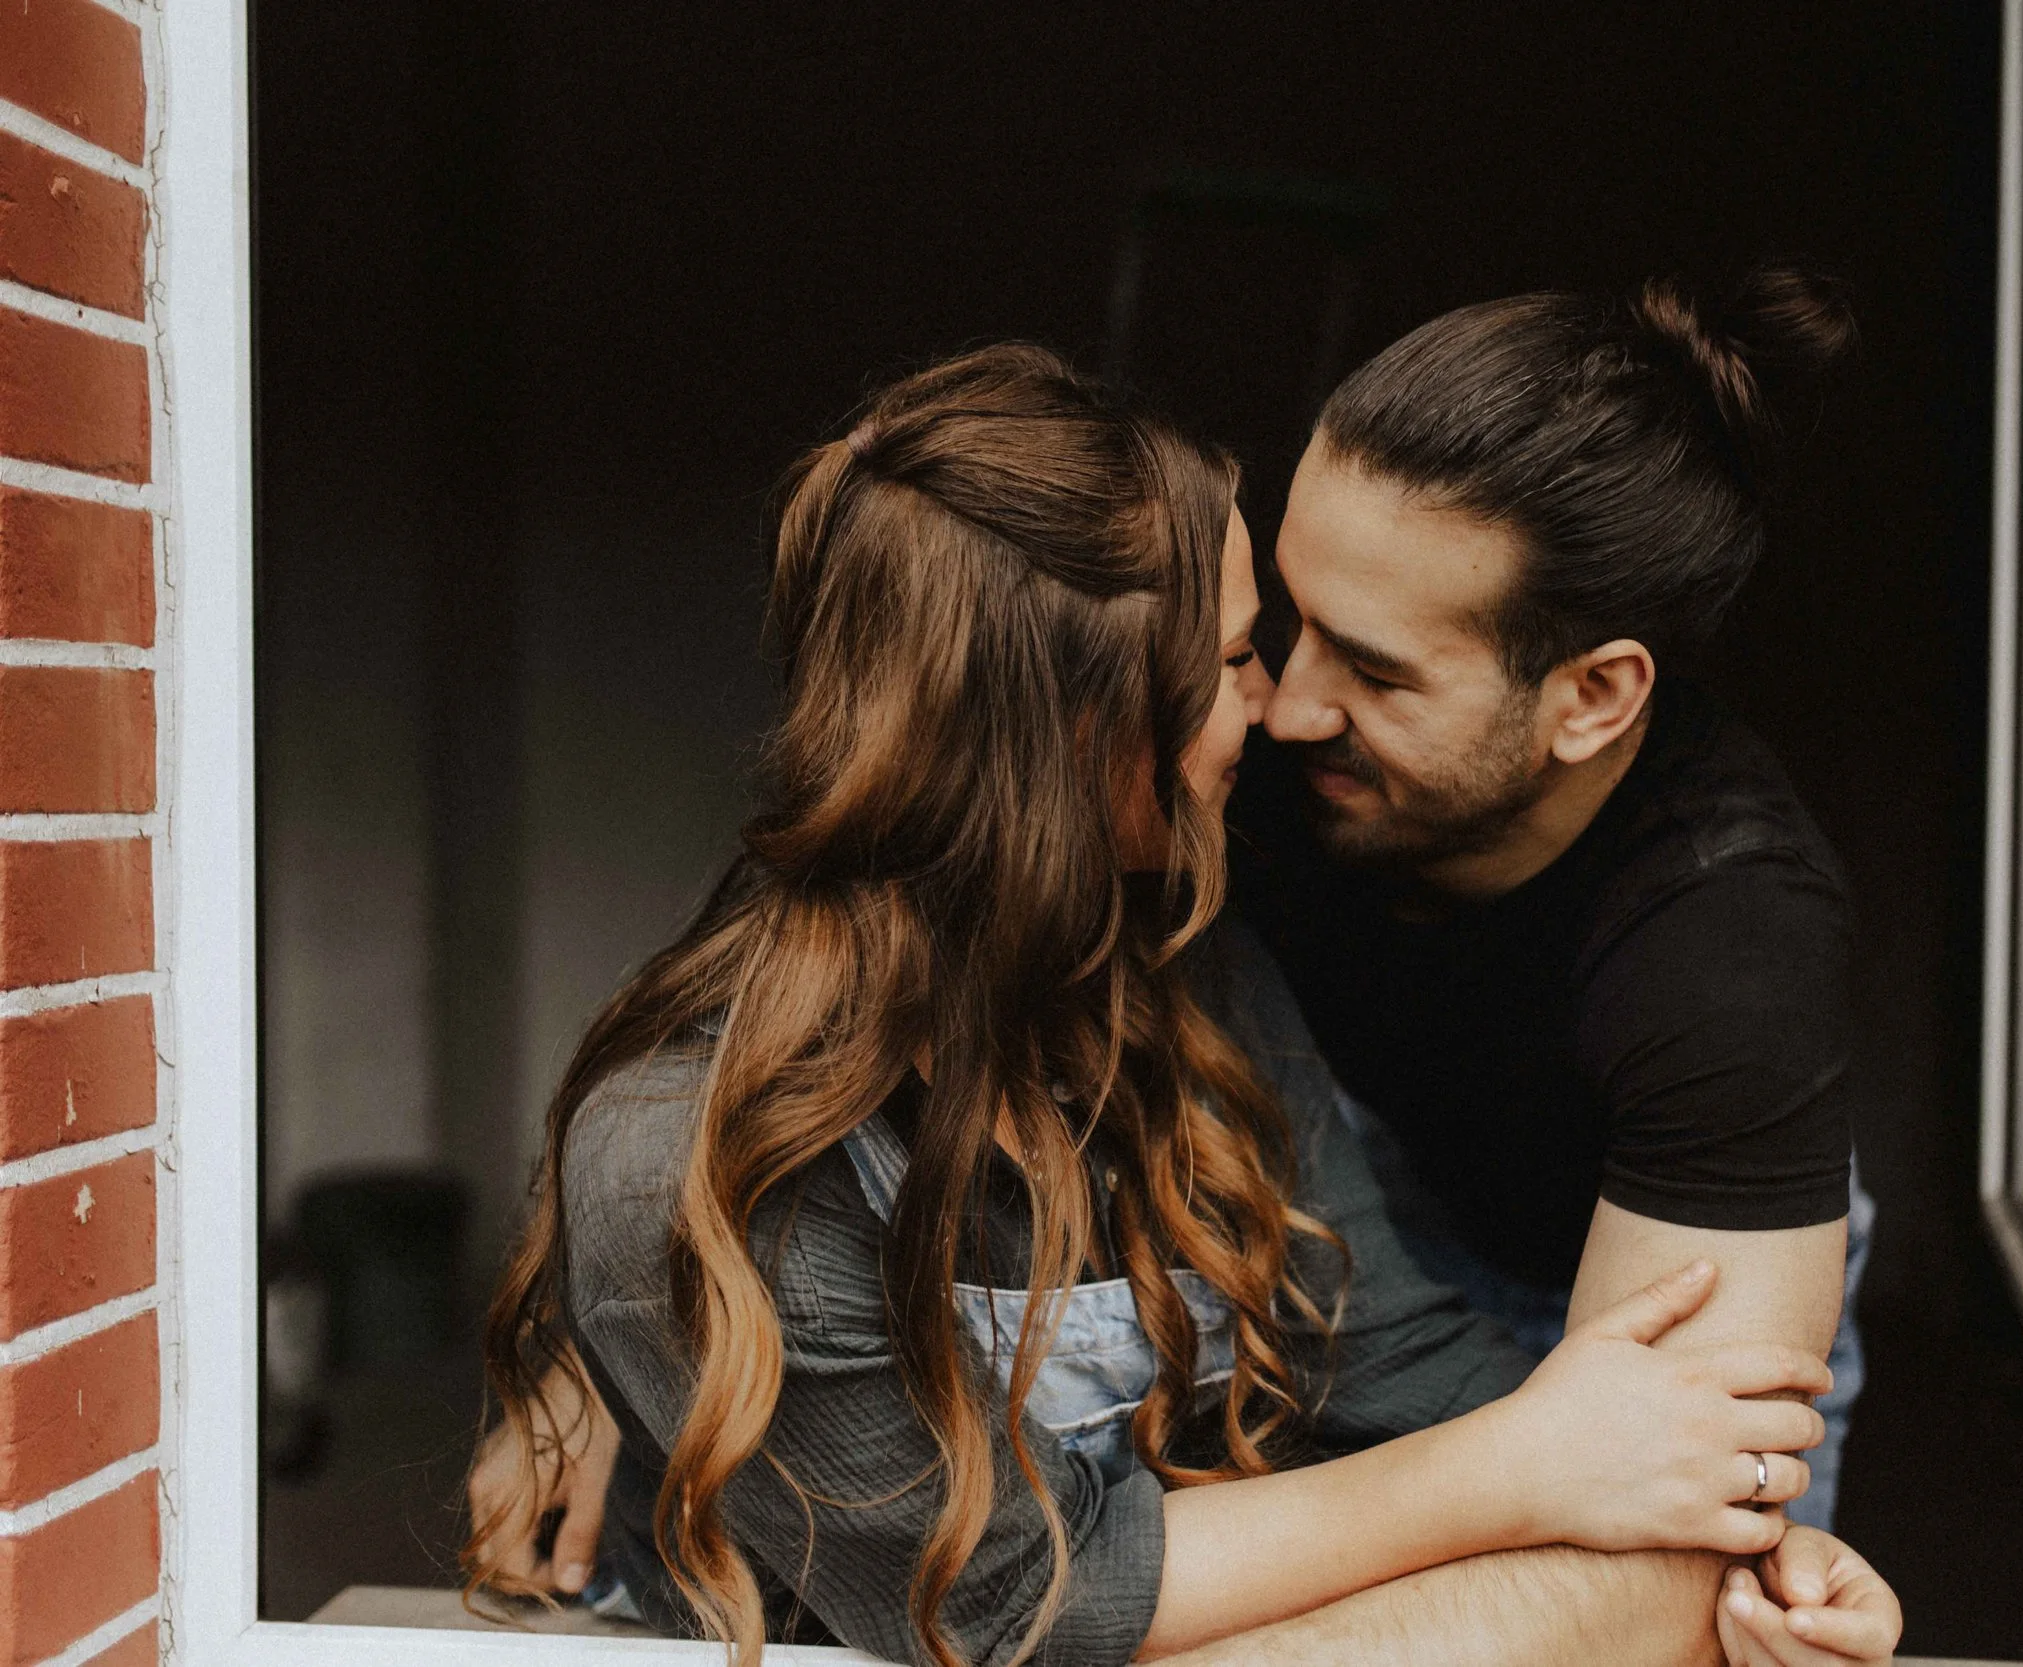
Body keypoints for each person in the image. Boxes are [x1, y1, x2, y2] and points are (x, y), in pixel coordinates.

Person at [464, 344, 1900, 1667]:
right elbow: (987, 1596)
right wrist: (598, 1332)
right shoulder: (694, 1150)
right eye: (1241, 655)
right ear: (1072, 745)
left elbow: (1379, 1345)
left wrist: (1739, 1548)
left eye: (1354, 664)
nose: (1280, 708)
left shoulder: (1206, 957)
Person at [1230, 267, 1878, 1538]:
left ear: (1590, 697)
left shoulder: (1732, 947)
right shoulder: (1236, 721)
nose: (1287, 705)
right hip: (1358, 1203)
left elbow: (1657, 1547)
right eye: (1288, 615)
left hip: (1645, 1257)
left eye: (1373, 670)